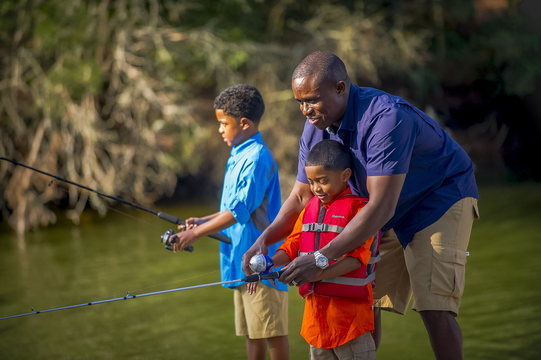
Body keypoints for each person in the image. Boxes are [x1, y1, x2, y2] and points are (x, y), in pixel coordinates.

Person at [242, 51, 480, 360]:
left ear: (340, 88)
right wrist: (263, 241)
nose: (305, 110)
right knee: (366, 295)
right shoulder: (315, 125)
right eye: (299, 102)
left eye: (312, 100)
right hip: (382, 206)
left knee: (434, 305)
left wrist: (320, 258)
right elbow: (301, 197)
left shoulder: (386, 118)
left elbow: (381, 207)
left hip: (438, 197)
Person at [172, 84, 289, 360]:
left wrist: (197, 233)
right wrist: (202, 220)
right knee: (251, 332)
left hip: (261, 262)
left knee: (272, 332)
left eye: (224, 123)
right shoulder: (238, 154)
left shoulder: (257, 157)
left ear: (244, 123)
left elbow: (239, 212)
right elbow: (232, 207)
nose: (220, 129)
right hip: (240, 259)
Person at [250, 139, 379, 360]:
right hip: (316, 327)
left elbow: (356, 260)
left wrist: (314, 272)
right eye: (311, 181)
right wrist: (270, 262)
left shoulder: (360, 211)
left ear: (346, 175)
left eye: (323, 181)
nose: (316, 188)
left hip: (351, 326)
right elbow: (292, 245)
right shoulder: (310, 208)